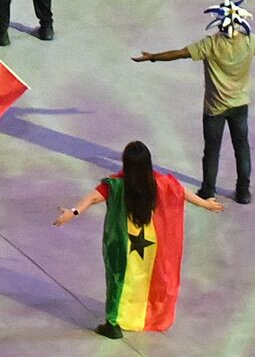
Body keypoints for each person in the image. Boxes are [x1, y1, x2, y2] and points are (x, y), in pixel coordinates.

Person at [131, 0, 255, 204]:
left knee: (212, 152)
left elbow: (180, 53)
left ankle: (208, 191)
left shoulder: (210, 44)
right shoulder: (249, 41)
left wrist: (153, 57)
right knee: (242, 148)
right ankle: (243, 192)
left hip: (214, 108)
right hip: (240, 105)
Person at [52, 139, 191, 339]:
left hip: (122, 244)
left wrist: (72, 212)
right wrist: (205, 203)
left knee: (120, 279)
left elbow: (93, 198)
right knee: (144, 278)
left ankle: (113, 323)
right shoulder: (159, 182)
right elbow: (180, 191)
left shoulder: (116, 184)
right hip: (151, 247)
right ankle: (147, 316)